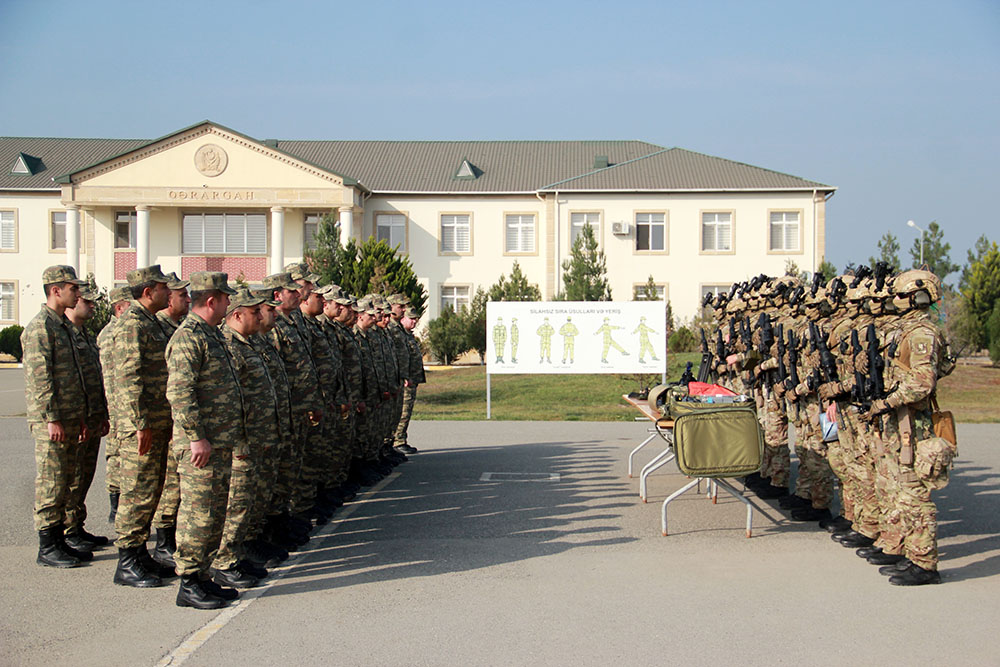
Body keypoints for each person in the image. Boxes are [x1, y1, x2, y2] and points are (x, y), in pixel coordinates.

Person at [864, 269, 955, 586]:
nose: (894, 300)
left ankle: (925, 564)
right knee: (897, 489)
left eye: (900, 295)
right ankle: (904, 551)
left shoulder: (921, 334)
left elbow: (921, 385)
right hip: (896, 421)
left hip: (912, 424)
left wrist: (886, 402)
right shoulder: (905, 330)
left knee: (915, 492)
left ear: (919, 296)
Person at [166, 271, 246, 609]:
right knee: (198, 513)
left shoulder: (210, 335)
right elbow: (180, 392)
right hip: (199, 445)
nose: (230, 303)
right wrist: (196, 437)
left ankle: (202, 576)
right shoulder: (188, 338)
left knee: (213, 513)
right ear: (211, 301)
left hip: (220, 441)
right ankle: (188, 581)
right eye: (226, 298)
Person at [22, 265, 93, 568]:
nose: (77, 294)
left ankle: (61, 539)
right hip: (53, 421)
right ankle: (47, 545)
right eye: (73, 288)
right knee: (51, 483)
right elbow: (41, 378)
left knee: (65, 480)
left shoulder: (63, 326)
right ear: (55, 290)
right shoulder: (41, 328)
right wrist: (51, 418)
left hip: (69, 418)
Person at [112, 265, 175, 588]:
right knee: (137, 491)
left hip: (157, 420)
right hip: (142, 424)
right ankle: (127, 560)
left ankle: (140, 554)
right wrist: (139, 423)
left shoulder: (151, 322)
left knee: (151, 490)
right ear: (148, 292)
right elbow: (128, 378)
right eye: (163, 287)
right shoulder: (132, 325)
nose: (169, 292)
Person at [63, 284, 111, 551]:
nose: (92, 306)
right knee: (71, 476)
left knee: (85, 475)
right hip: (76, 418)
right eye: (88, 302)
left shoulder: (86, 335)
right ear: (74, 303)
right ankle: (67, 529)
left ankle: (76, 525)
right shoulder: (65, 334)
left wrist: (101, 413)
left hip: (92, 416)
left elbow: (96, 378)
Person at [150, 271, 190, 569]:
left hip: (172, 417)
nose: (185, 299)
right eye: (181, 295)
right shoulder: (160, 327)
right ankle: (163, 540)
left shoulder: (173, 327)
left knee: (174, 480)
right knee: (167, 482)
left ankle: (170, 537)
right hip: (161, 417)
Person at [98, 286, 132, 524]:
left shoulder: (123, 329)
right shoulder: (111, 333)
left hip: (120, 403)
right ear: (120, 307)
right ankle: (115, 502)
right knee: (116, 454)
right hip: (116, 404)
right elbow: (111, 375)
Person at [394, 306, 425, 454]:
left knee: (407, 411)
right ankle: (398, 440)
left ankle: (401, 439)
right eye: (411, 319)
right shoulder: (398, 334)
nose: (414, 322)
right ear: (403, 318)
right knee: (403, 412)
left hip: (411, 380)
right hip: (405, 381)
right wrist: (404, 376)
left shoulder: (408, 335)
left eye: (416, 319)